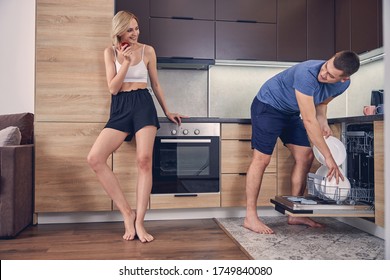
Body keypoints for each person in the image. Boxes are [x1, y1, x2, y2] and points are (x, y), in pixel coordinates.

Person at [87, 11, 186, 242]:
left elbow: (157, 84)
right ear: (119, 30)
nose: (135, 33)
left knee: (144, 161)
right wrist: (126, 63)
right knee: (94, 158)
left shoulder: (148, 50)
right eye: (129, 29)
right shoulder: (109, 52)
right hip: (120, 106)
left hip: (143, 103)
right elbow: (112, 88)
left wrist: (167, 111)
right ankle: (126, 212)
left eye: (136, 28)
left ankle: (140, 221)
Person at [244, 51, 360, 234]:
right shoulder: (306, 73)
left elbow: (321, 104)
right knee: (262, 159)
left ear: (343, 79)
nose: (324, 74)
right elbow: (308, 120)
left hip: (289, 113)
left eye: (331, 75)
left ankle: (295, 213)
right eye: (325, 67)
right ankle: (250, 217)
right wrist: (329, 158)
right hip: (267, 106)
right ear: (331, 58)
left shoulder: (342, 86)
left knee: (305, 155)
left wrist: (323, 120)